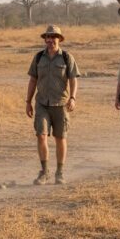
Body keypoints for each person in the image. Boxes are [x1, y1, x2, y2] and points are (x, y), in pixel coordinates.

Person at [25, 25, 80, 185]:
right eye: (47, 37)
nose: (50, 40)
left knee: (60, 137)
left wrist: (73, 97)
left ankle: (60, 172)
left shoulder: (67, 57)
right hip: (42, 102)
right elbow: (33, 80)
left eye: (53, 37)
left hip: (60, 103)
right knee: (41, 135)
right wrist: (28, 102)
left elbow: (73, 79)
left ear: (59, 39)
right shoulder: (38, 57)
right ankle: (44, 171)